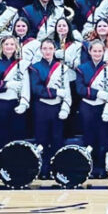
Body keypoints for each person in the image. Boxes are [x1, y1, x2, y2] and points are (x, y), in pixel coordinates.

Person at [29, 39, 71, 176]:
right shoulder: (35, 67)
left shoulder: (62, 67)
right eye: (45, 48)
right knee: (42, 139)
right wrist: (55, 92)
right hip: (41, 107)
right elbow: (36, 89)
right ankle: (43, 168)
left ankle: (57, 168)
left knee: (57, 138)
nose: (47, 51)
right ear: (41, 50)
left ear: (54, 50)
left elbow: (67, 90)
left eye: (50, 48)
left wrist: (65, 106)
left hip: (57, 108)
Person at [74, 39, 108, 177]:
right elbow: (80, 89)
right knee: (89, 138)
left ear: (104, 52)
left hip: (103, 107)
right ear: (90, 52)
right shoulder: (82, 68)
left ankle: (103, 168)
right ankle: (90, 167)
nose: (97, 53)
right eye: (94, 51)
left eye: (100, 51)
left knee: (103, 139)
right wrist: (97, 93)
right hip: (88, 106)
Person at [0, 35, 30, 152]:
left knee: (17, 135)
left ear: (16, 47)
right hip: (0, 104)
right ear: (1, 47)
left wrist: (24, 103)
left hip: (17, 103)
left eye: (12, 44)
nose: (9, 47)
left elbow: (26, 85)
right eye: (6, 44)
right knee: (1, 136)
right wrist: (7, 84)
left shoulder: (23, 63)